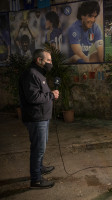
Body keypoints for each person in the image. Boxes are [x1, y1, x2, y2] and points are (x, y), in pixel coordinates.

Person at [19, 49, 59, 189]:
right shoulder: (31, 74)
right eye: (48, 60)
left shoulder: (39, 73)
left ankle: (39, 168)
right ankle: (36, 180)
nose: (51, 63)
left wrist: (50, 93)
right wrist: (51, 96)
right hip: (36, 118)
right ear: (39, 60)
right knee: (38, 149)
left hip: (42, 117)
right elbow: (33, 97)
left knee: (41, 147)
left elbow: (41, 93)